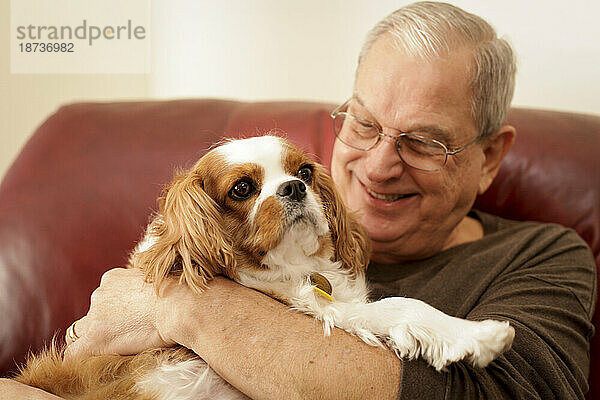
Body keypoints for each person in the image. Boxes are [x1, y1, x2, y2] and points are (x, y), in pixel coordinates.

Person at [1, 2, 595, 399]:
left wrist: (181, 308)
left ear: (490, 157)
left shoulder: (542, 254)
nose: (380, 165)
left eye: (422, 141)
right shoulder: (211, 236)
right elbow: (88, 349)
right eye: (363, 124)